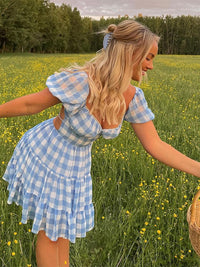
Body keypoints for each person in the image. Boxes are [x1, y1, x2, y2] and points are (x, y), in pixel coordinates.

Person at [0, 19, 200, 267]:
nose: (150, 66)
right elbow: (32, 104)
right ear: (131, 54)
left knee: (62, 233)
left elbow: (156, 145)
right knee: (50, 233)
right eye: (148, 58)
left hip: (77, 167)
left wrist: (198, 169)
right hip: (49, 155)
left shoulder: (133, 98)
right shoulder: (81, 81)